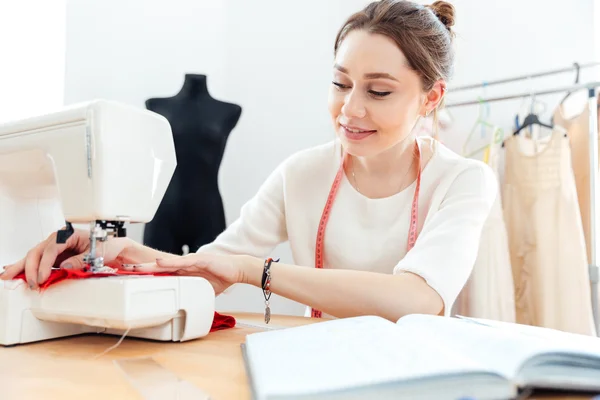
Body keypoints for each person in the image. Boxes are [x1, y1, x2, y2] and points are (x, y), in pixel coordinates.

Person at [1, 0, 497, 323]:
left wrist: (253, 270)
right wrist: (105, 254)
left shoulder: (463, 181)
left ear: (432, 98)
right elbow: (207, 268)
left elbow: (417, 300)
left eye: (379, 91)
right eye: (340, 83)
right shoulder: (303, 174)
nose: (350, 109)